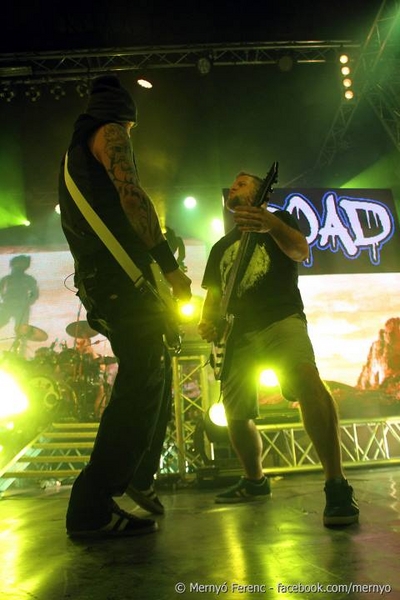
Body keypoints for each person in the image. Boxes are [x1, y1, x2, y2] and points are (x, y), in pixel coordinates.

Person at [58, 75, 192, 538]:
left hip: (105, 283)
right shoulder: (110, 132)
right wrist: (170, 268)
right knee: (140, 381)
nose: (130, 137)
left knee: (153, 372)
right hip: (120, 282)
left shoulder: (74, 152)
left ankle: (136, 476)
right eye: (132, 129)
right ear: (125, 117)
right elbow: (133, 198)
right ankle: (91, 506)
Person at [198, 171, 359, 527]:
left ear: (262, 193)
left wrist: (270, 223)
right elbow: (214, 296)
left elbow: (301, 251)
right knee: (235, 413)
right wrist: (208, 322)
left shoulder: (280, 220)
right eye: (233, 181)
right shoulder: (220, 247)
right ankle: (255, 481)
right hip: (237, 336)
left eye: (243, 182)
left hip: (280, 319)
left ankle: (336, 484)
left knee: (307, 379)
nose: (235, 184)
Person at [0, 254, 39, 345]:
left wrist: (26, 303)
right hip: (8, 306)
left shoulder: (28, 279)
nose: (17, 268)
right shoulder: (6, 279)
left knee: (22, 333)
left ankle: (21, 351)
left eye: (20, 265)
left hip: (21, 308)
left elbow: (35, 294)